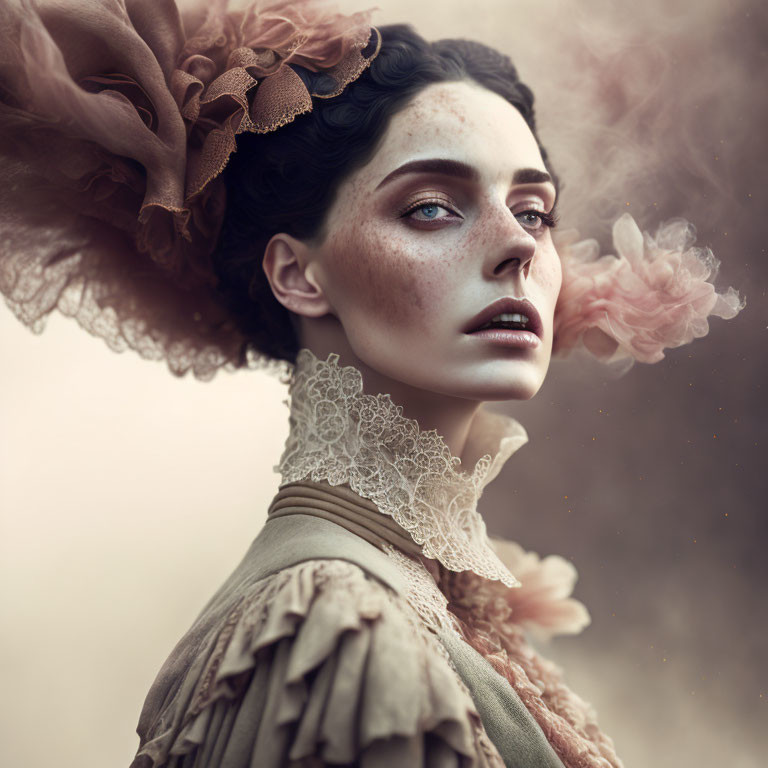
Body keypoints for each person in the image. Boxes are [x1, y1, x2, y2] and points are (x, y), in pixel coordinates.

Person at [0, 1, 745, 766]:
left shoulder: (424, 595)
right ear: (296, 273)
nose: (519, 245)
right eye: (431, 208)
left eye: (534, 209)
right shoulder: (339, 624)